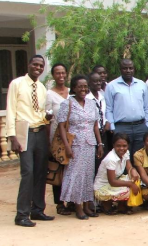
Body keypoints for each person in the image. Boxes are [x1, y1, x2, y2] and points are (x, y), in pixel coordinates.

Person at [8, 55, 55, 227]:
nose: (38, 68)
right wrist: (12, 136)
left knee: (41, 172)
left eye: (41, 66)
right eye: (35, 64)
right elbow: (11, 110)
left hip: (40, 131)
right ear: (28, 65)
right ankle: (21, 214)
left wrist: (47, 116)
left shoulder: (41, 88)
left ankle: (37, 209)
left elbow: (39, 111)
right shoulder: (17, 84)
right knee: (28, 173)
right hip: (24, 132)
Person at [58, 75, 104, 220]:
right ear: (74, 88)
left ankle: (86, 205)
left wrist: (100, 143)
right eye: (80, 86)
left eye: (85, 86)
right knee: (75, 175)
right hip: (75, 145)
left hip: (90, 144)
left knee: (88, 175)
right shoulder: (67, 104)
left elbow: (95, 125)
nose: (83, 89)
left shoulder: (91, 103)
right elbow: (61, 126)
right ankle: (77, 207)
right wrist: (67, 146)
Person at [105, 59, 148, 156]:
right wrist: (113, 127)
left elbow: (147, 106)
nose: (128, 70)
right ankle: (124, 172)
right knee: (122, 155)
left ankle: (137, 172)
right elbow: (108, 108)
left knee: (139, 156)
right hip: (121, 127)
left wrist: (147, 125)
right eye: (125, 68)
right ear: (120, 69)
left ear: (134, 69)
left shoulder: (142, 84)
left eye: (131, 68)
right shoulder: (111, 86)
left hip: (140, 127)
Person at [93, 133, 141, 215]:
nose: (122, 148)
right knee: (129, 189)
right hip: (102, 186)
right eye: (118, 146)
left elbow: (129, 167)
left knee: (136, 179)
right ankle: (106, 204)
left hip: (114, 181)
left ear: (128, 145)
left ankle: (121, 206)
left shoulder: (126, 153)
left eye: (124, 146)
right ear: (113, 145)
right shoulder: (111, 159)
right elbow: (112, 182)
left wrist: (133, 170)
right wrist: (131, 184)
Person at [45, 63, 70, 216]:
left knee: (71, 169)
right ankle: (60, 203)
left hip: (72, 136)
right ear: (53, 75)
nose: (61, 76)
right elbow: (47, 118)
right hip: (56, 137)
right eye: (57, 73)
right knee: (58, 170)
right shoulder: (49, 94)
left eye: (63, 73)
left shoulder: (71, 92)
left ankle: (72, 201)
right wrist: (49, 141)